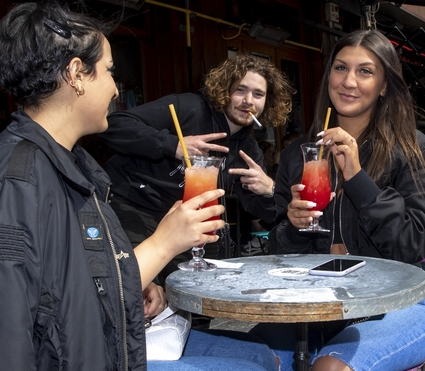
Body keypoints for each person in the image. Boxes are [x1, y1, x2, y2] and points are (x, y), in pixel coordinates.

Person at [0, 0, 282, 371]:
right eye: (107, 71)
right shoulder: (15, 184)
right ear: (75, 75)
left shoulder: (69, 164)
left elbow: (69, 284)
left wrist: (138, 284)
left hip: (96, 354)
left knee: (260, 358)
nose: (116, 89)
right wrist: (162, 244)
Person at [251, 29, 425, 371]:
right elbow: (279, 253)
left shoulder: (415, 151)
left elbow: (413, 243)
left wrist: (357, 177)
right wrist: (293, 226)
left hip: (401, 305)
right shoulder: (300, 155)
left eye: (365, 71)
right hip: (317, 309)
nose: (349, 81)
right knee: (257, 363)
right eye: (341, 68)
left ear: (384, 85)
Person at [98, 53, 294, 276]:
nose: (248, 100)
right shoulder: (189, 107)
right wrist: (173, 145)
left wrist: (269, 189)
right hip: (136, 210)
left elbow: (265, 216)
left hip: (186, 226)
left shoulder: (248, 150)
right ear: (225, 89)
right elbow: (115, 125)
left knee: (195, 287)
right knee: (137, 285)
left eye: (258, 94)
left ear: (267, 102)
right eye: (240, 90)